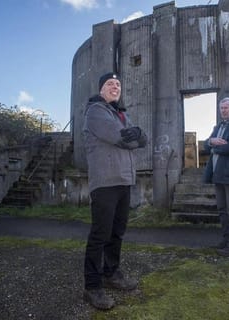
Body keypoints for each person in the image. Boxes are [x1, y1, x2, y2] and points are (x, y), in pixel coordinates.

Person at [82, 72, 147, 310]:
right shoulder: (96, 111)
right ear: (101, 89)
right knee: (100, 235)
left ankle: (111, 273)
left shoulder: (121, 113)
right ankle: (92, 287)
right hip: (105, 182)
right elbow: (122, 139)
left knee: (117, 232)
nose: (115, 87)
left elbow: (143, 139)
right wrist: (136, 138)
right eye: (110, 83)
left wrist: (140, 136)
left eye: (118, 84)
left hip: (123, 181)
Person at [203, 97, 229, 257]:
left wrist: (214, 148)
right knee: (222, 210)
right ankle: (226, 241)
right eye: (221, 108)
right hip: (218, 174)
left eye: (227, 108)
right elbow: (206, 144)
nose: (224, 110)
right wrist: (212, 141)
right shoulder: (218, 126)